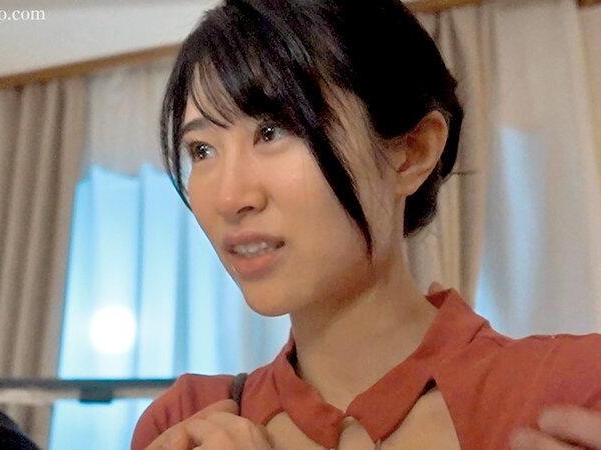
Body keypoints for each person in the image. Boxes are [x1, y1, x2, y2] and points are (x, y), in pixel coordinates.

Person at [130, 0, 601, 449]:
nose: (231, 199)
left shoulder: (574, 395)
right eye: (202, 150)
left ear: (412, 153)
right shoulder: (184, 424)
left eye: (273, 131)